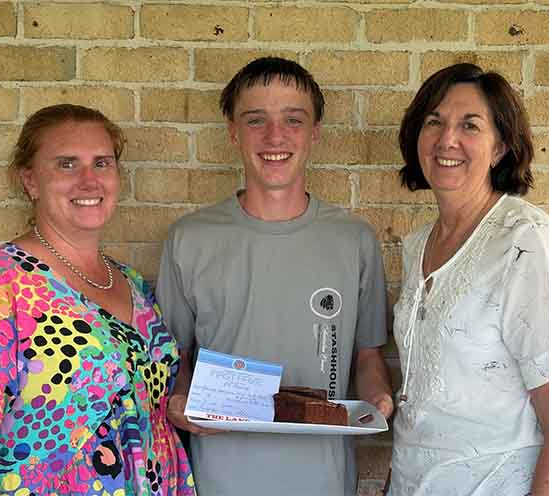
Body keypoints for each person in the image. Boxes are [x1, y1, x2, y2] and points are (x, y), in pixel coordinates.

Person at [156, 56, 394, 496]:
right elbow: (176, 357)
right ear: (232, 131)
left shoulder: (354, 239)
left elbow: (367, 355)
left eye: (293, 120)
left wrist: (378, 399)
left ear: (315, 132)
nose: (274, 136)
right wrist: (177, 401)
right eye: (255, 120)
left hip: (323, 478)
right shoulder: (190, 239)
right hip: (217, 477)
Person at [0, 104, 196, 496]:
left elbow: (153, 393)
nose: (89, 180)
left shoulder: (133, 285)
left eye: (102, 163)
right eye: (66, 164)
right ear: (29, 180)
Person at [387, 63, 549, 495]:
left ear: (500, 147)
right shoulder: (416, 246)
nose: (448, 139)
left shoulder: (524, 241)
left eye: (470, 125)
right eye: (434, 122)